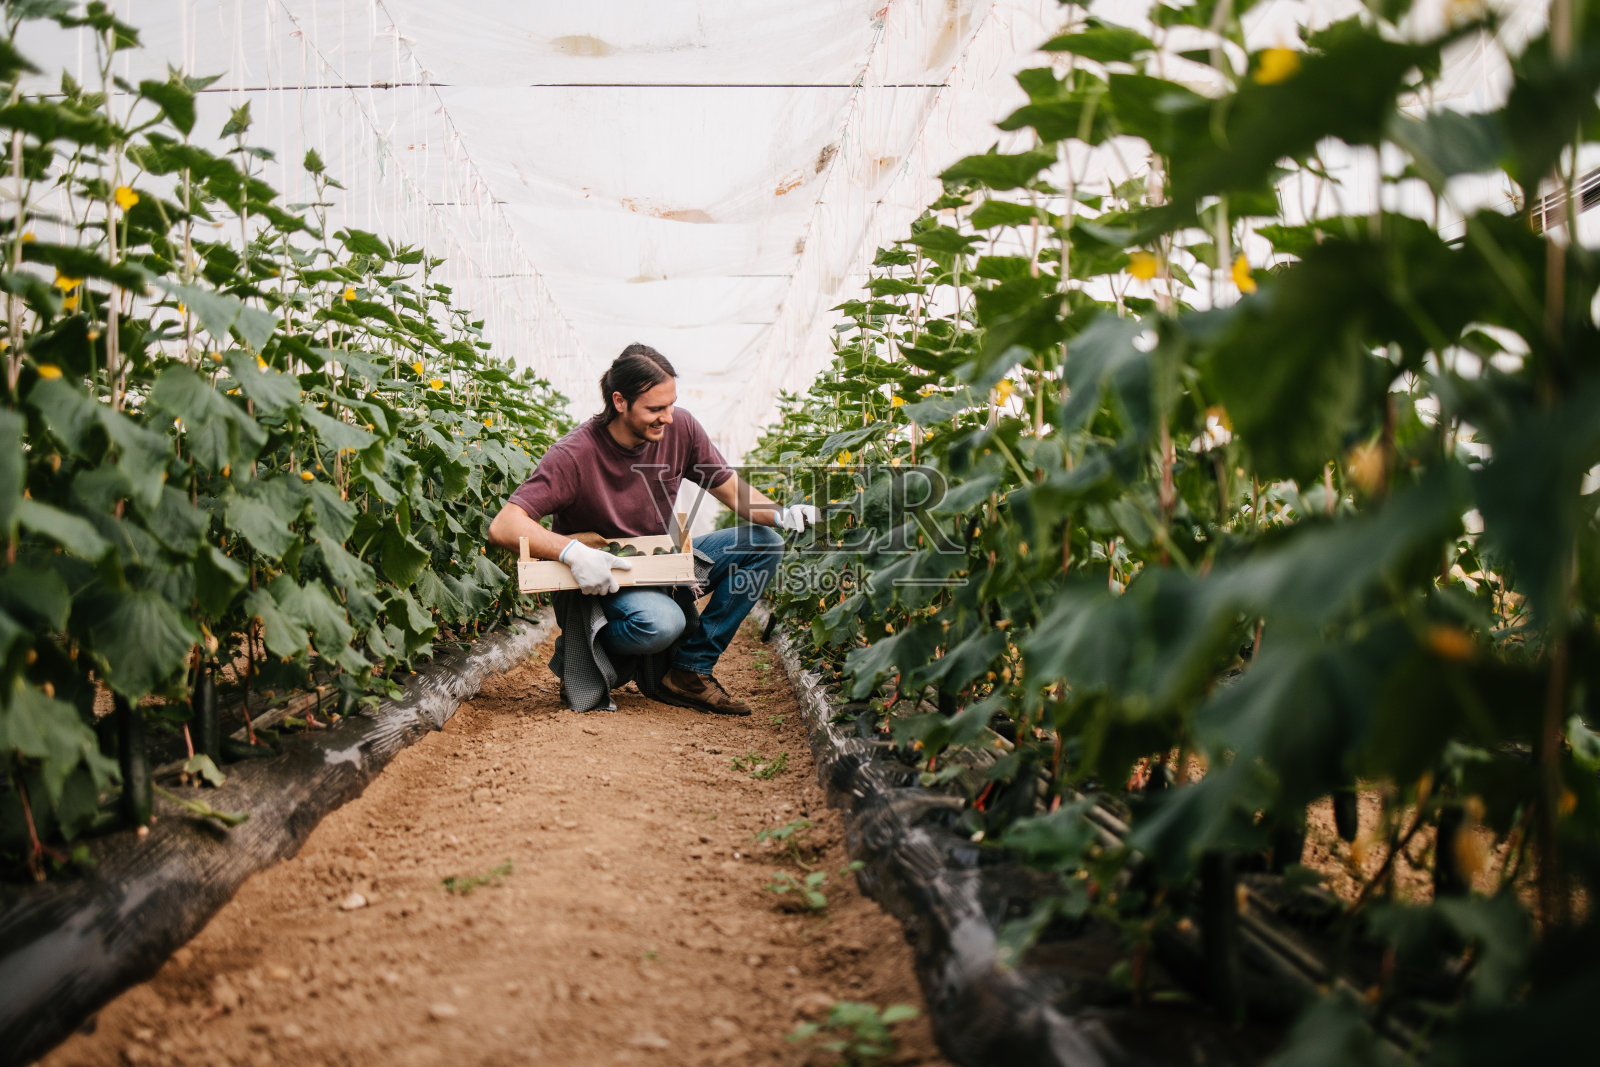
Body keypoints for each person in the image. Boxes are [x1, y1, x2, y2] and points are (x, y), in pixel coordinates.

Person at [487, 343, 819, 715]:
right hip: (599, 581)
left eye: (671, 404)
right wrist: (573, 553)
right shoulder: (574, 455)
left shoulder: (682, 431)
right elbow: (504, 525)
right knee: (662, 623)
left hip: (657, 568)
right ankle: (581, 650)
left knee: (763, 544)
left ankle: (689, 673)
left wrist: (781, 514)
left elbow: (730, 489)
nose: (669, 417)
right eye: (656, 409)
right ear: (619, 401)